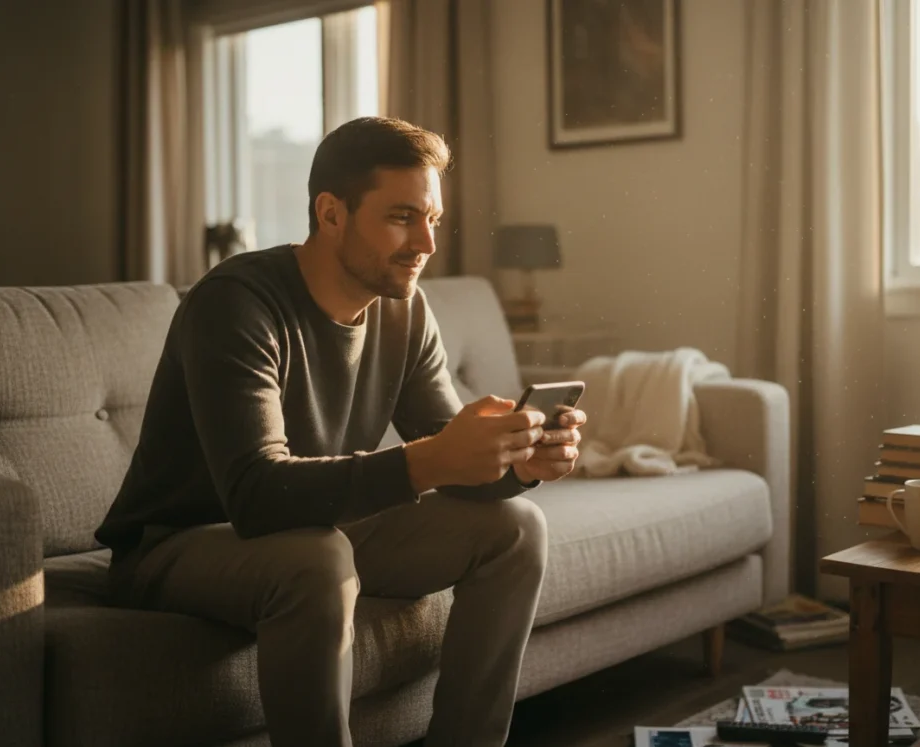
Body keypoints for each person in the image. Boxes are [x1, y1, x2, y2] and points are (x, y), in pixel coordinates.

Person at [94, 116, 586, 747]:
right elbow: (255, 494)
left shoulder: (405, 311)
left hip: (317, 526)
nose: (426, 243)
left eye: (433, 219)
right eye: (402, 217)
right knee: (318, 558)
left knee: (516, 528)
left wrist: (518, 462)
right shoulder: (236, 302)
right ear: (331, 213)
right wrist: (433, 460)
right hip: (179, 544)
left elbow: (455, 455)